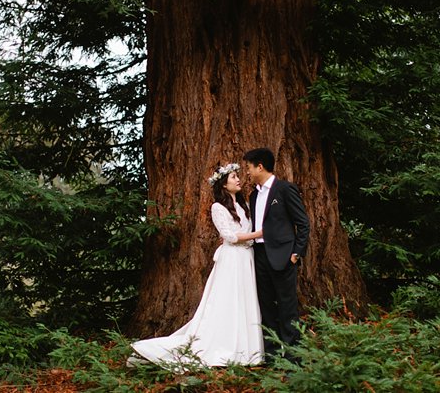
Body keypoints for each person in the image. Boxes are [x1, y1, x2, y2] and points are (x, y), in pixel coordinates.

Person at [130, 163, 264, 370]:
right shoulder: (218, 207)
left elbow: (243, 236)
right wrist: (258, 235)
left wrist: (250, 239)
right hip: (231, 260)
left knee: (244, 301)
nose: (238, 180)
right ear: (224, 185)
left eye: (238, 176)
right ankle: (221, 346)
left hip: (246, 258)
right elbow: (229, 236)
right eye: (234, 177)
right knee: (228, 301)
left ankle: (246, 350)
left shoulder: (243, 205)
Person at [243, 148, 310, 362]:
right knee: (266, 308)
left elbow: (303, 223)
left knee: (287, 308)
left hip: (284, 257)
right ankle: (272, 357)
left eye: (249, 167)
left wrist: (296, 254)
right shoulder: (253, 195)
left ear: (259, 166)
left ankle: (293, 359)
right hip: (260, 255)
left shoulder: (284, 189)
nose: (247, 172)